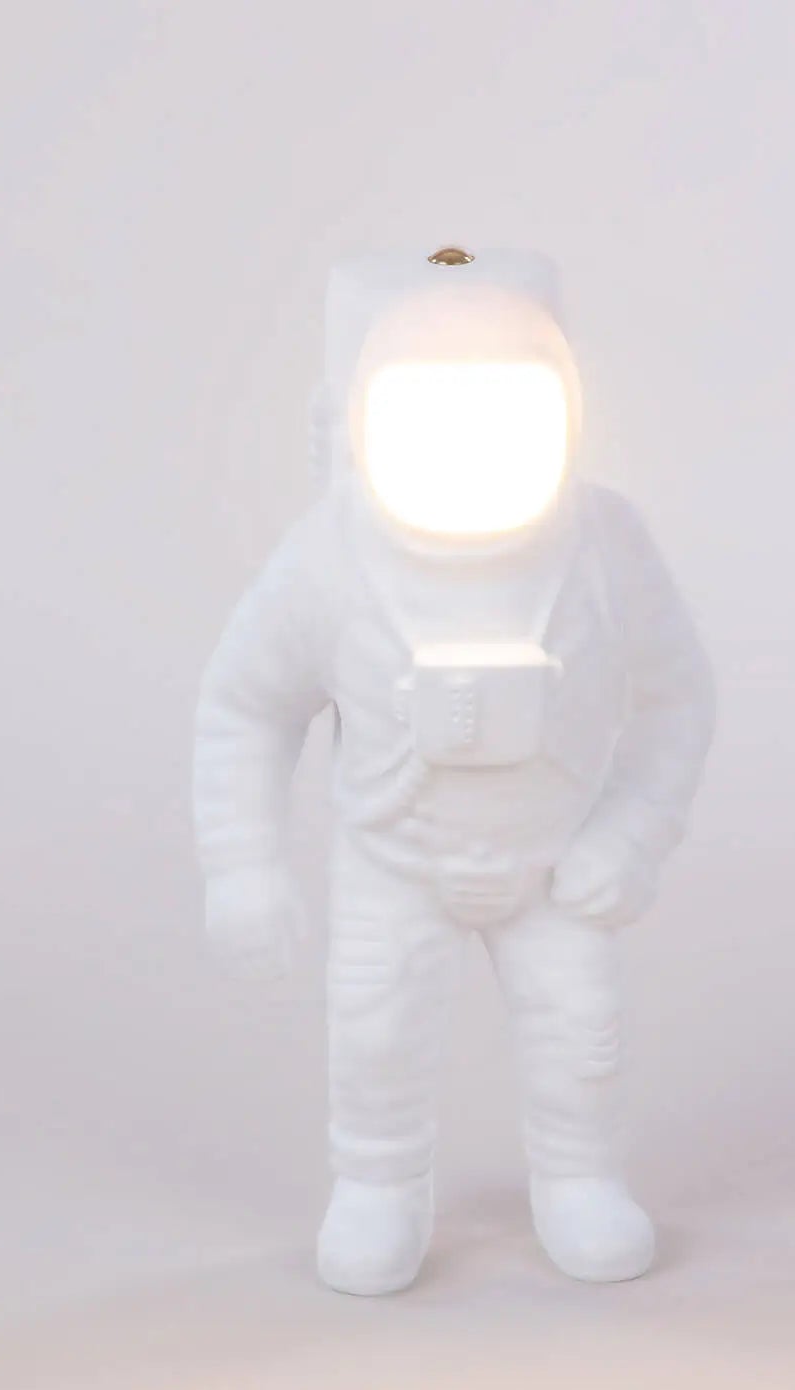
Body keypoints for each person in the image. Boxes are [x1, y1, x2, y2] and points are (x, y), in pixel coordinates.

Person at [194, 247, 715, 1294]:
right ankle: (377, 1184)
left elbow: (678, 698)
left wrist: (630, 839)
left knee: (581, 1032)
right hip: (395, 861)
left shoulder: (604, 547)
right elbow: (245, 705)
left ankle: (579, 1177)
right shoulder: (329, 557)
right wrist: (242, 866)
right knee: (377, 1028)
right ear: (358, 419)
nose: (469, 441)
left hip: (557, 862)